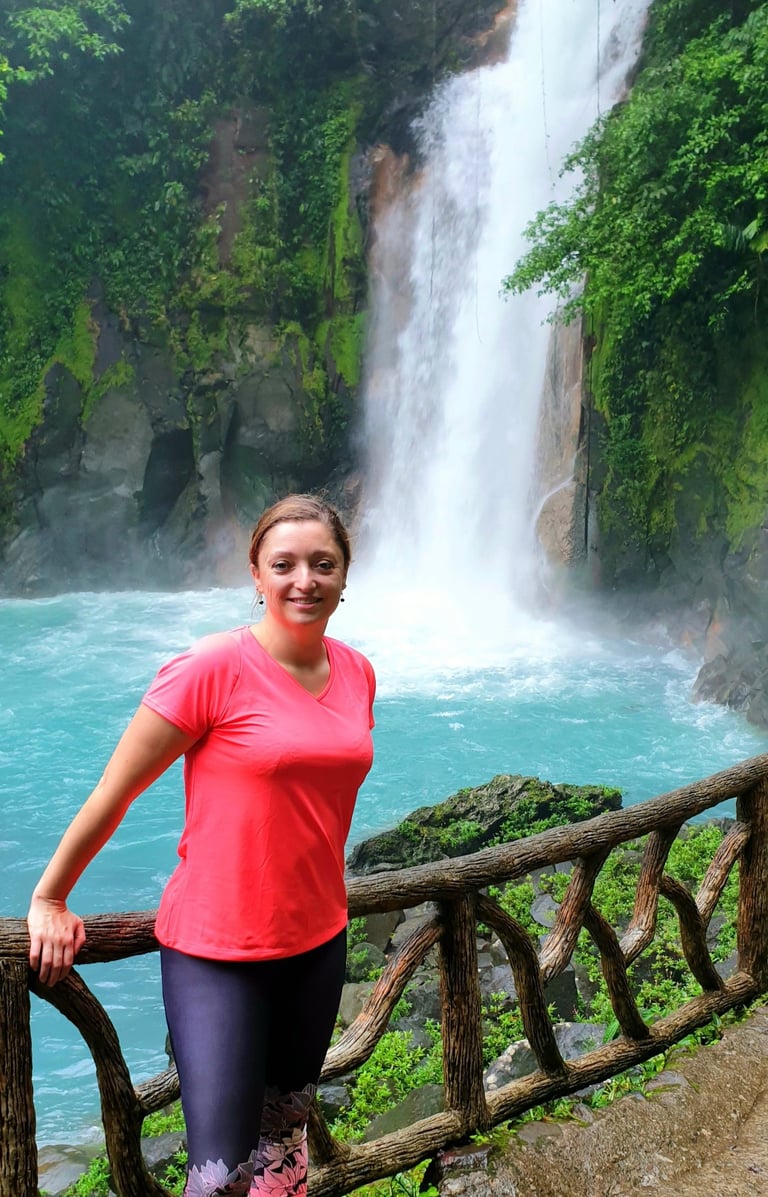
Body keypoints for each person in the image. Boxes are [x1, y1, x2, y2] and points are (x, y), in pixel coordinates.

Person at [27, 494, 376, 1197]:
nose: (303, 579)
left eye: (322, 563)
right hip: (219, 951)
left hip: (317, 939)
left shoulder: (358, 672)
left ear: (345, 574)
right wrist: (51, 895)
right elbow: (114, 791)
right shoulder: (209, 667)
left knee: (284, 1143)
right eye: (284, 564)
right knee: (220, 1175)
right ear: (256, 574)